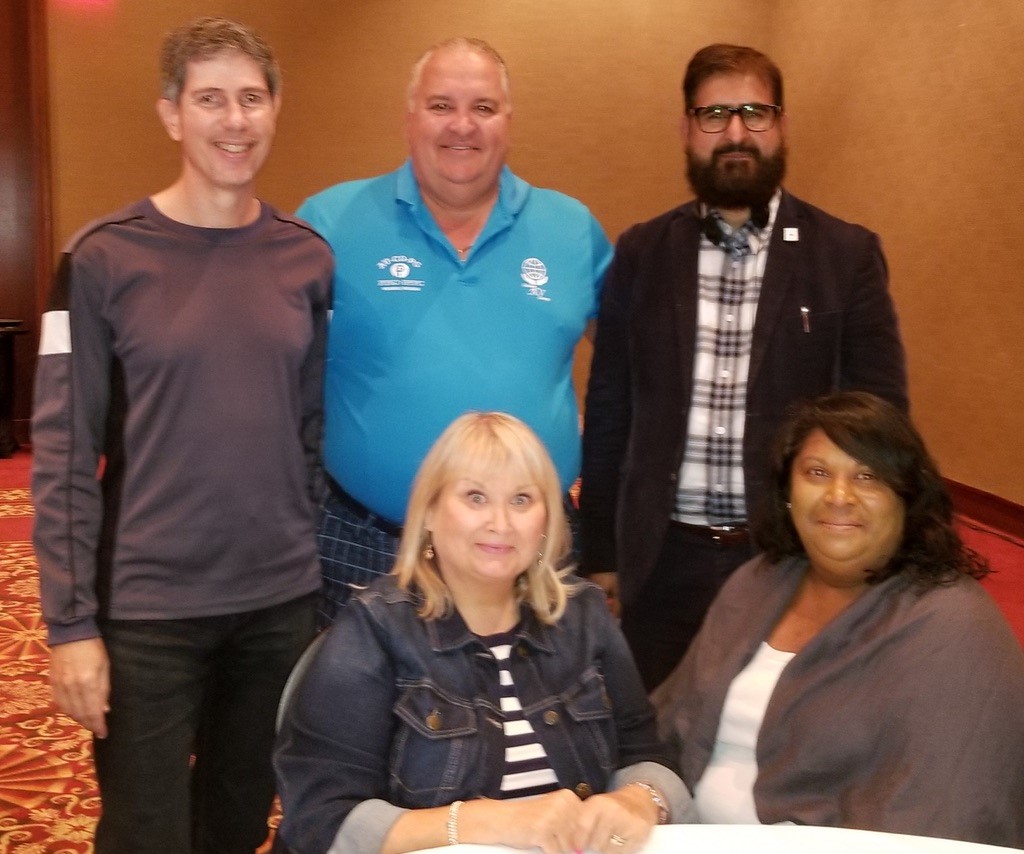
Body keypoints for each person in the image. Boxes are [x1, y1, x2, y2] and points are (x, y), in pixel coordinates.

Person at [31, 17, 332, 853]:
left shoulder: (306, 260)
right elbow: (59, 459)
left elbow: (308, 433)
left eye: (250, 98)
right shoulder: (99, 260)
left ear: (275, 110)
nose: (234, 120)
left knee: (237, 827)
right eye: (210, 99)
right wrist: (70, 628)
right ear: (171, 114)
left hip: (274, 609)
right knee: (145, 835)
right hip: (146, 613)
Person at [578, 43, 908, 691]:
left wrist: (874, 559)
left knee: (774, 741)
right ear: (686, 129)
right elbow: (611, 409)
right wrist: (603, 553)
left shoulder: (845, 256)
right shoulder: (642, 253)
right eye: (714, 114)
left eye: (754, 112)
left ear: (781, 125)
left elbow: (882, 426)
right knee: (652, 735)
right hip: (662, 561)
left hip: (789, 559)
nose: (735, 132)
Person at [274, 412, 692, 854]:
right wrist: (481, 821)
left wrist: (639, 799)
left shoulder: (585, 616)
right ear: (430, 511)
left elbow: (652, 757)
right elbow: (320, 819)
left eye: (521, 500)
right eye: (475, 497)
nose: (501, 522)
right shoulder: (374, 629)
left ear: (547, 520)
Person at [297, 37, 612, 625]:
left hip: (530, 551)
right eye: (441, 106)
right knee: (354, 716)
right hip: (367, 547)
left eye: (484, 108)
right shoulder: (329, 222)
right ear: (409, 117)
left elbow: (634, 374)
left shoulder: (572, 230)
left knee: (532, 714)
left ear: (509, 122)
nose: (461, 126)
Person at [653, 392, 1024, 846]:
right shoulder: (759, 581)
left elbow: (939, 818)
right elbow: (669, 727)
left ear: (906, 500)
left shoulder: (953, 628)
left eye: (867, 476)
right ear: (788, 492)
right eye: (817, 473)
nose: (839, 496)